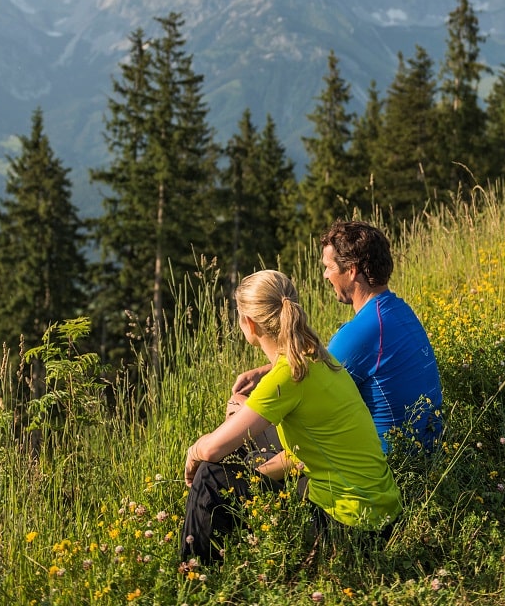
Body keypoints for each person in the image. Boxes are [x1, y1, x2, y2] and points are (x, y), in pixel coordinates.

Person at [181, 269, 402, 565]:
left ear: (249, 324)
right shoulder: (317, 357)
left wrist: (193, 452)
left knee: (212, 474)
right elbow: (304, 451)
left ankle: (194, 575)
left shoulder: (287, 376)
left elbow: (210, 450)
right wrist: (257, 469)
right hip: (381, 517)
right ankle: (236, 548)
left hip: (350, 527)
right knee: (242, 446)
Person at [233, 220, 443, 453]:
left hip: (384, 462)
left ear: (351, 271)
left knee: (238, 412)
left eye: (329, 267)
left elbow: (306, 391)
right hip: (423, 453)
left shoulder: (361, 332)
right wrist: (263, 372)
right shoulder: (396, 311)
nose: (325, 275)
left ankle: (259, 482)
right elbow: (322, 362)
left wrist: (244, 406)